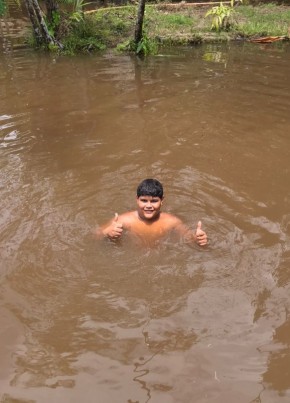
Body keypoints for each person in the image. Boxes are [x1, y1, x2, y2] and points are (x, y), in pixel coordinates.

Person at [96, 178, 207, 246]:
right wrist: (107, 232)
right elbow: (93, 236)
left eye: (154, 201)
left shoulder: (171, 221)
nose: (148, 206)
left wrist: (198, 239)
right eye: (144, 201)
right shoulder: (124, 220)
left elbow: (188, 237)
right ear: (137, 199)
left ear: (162, 200)